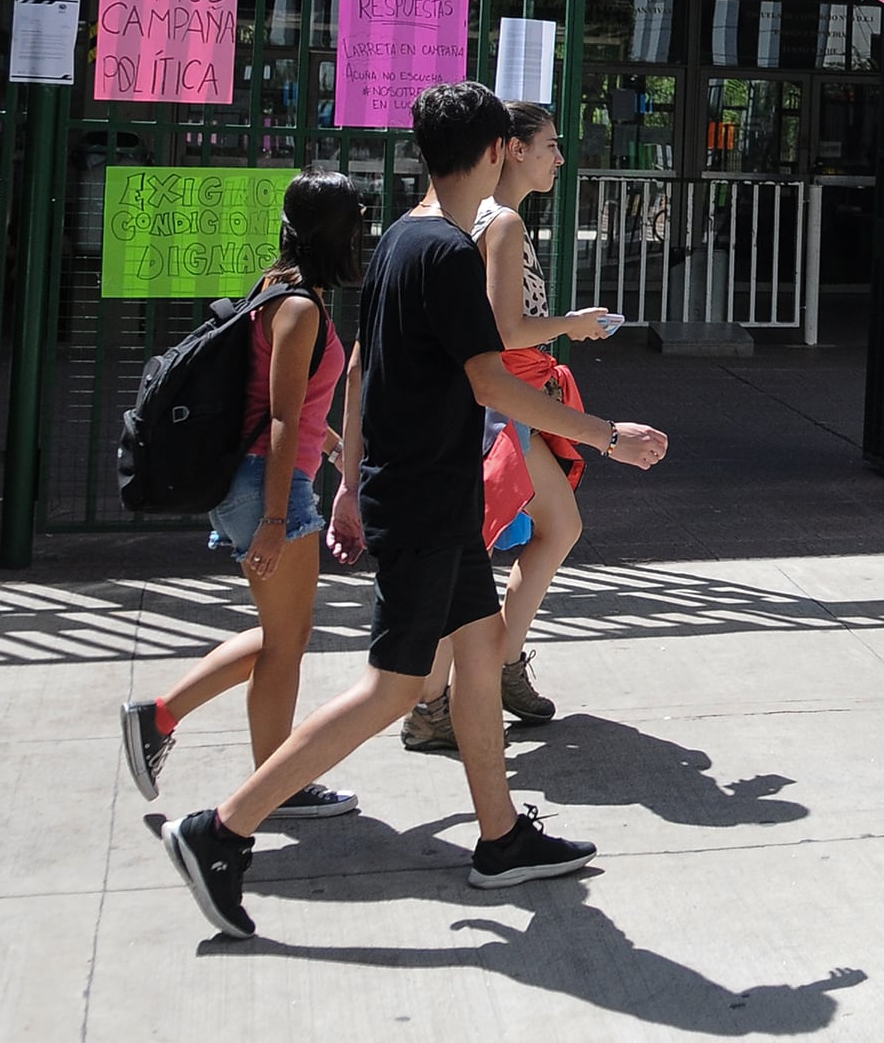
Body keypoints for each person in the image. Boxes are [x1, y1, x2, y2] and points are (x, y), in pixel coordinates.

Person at [163, 81, 669, 939]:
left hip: (427, 492)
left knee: (477, 658)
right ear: (498, 151)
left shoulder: (406, 235)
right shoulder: (442, 252)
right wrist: (607, 434)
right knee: (391, 690)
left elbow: (370, 370)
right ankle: (222, 829)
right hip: (429, 500)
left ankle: (501, 838)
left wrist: (355, 479)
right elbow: (492, 379)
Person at [118, 172, 371, 819]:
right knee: (286, 640)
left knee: (281, 635)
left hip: (263, 480)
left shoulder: (280, 286)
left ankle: (168, 720)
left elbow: (288, 405)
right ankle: (269, 781)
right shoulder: (299, 308)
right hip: (267, 487)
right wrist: (278, 517)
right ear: (339, 236)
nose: (365, 236)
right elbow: (282, 418)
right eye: (358, 225)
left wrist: (338, 450)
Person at [399, 99, 625, 752]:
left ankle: (486, 673)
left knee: (548, 529)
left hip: (494, 403)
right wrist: (572, 323)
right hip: (500, 406)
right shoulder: (501, 224)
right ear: (513, 149)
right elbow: (503, 331)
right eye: (551, 144)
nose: (560, 156)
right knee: (470, 555)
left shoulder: (461, 216)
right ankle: (440, 698)